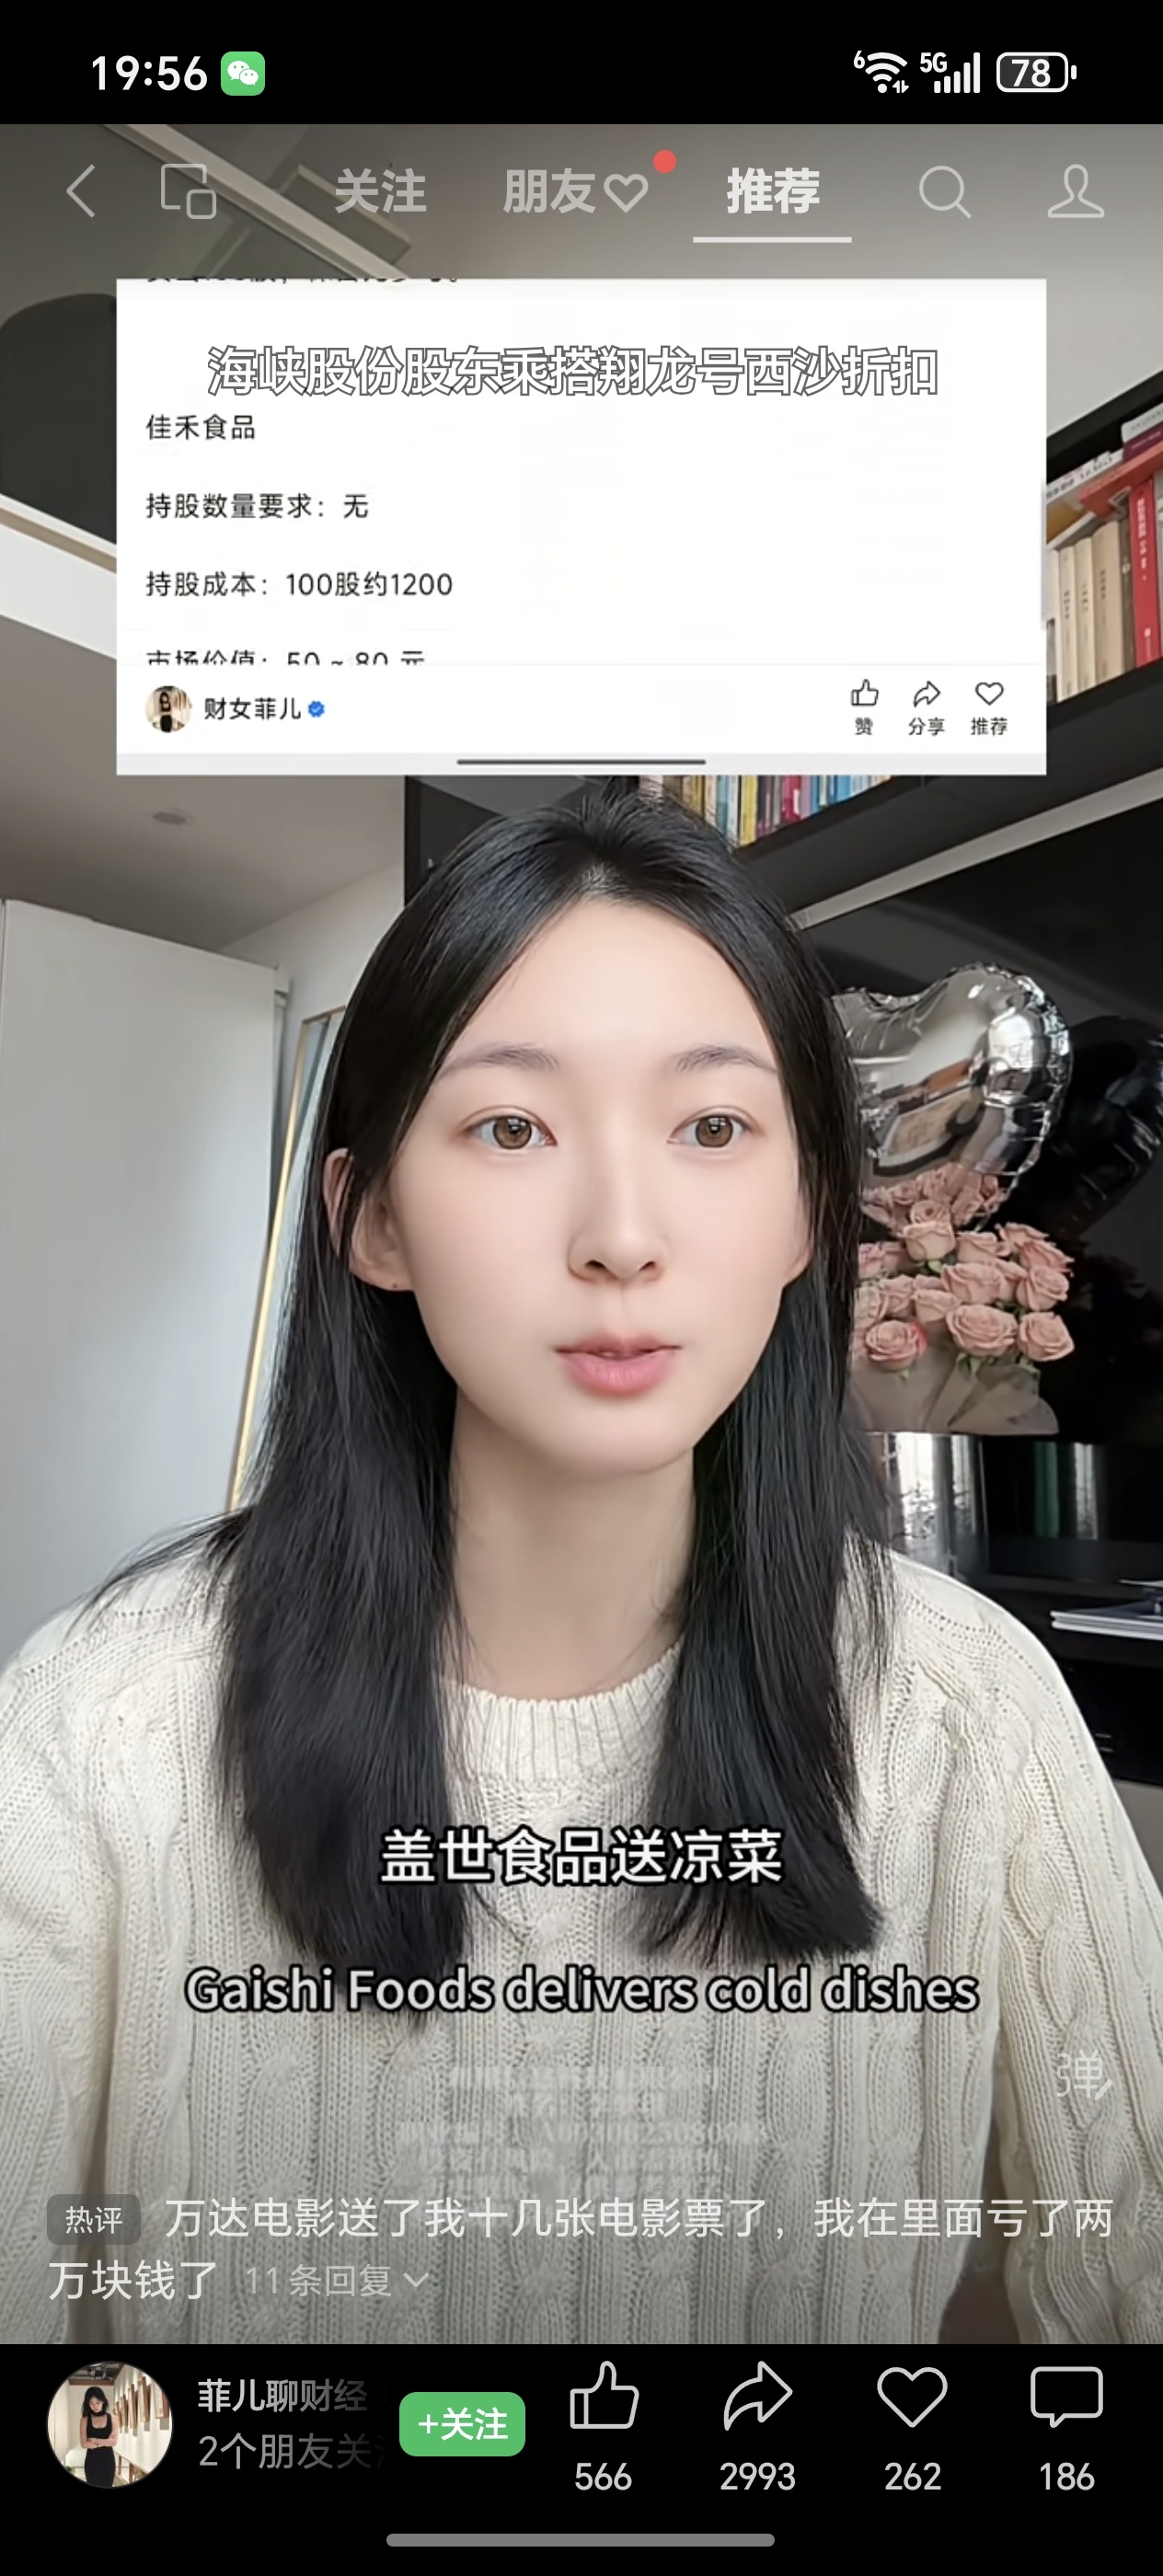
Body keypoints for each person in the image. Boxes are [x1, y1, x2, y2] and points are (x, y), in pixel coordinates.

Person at [1, 788, 1162, 2351]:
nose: (621, 1235)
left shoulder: (971, 1715)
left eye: (712, 1128)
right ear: (372, 1221)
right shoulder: (97, 1731)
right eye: (510, 1128)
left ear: (807, 1216)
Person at [79, 2383, 117, 2485]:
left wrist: (94, 2440)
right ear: (87, 2403)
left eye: (98, 2402)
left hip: (108, 2462)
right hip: (91, 2462)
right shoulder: (84, 2420)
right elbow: (84, 2444)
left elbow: (113, 2442)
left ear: (103, 2401)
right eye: (91, 2403)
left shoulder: (113, 2418)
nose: (95, 2406)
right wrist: (106, 2442)